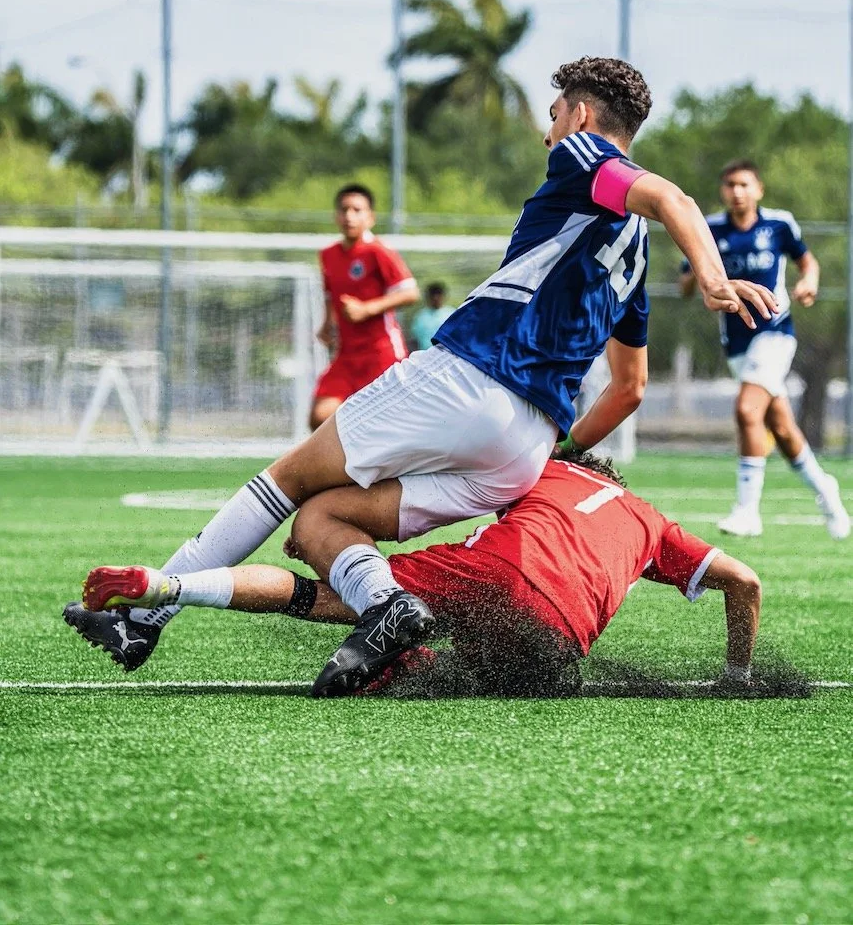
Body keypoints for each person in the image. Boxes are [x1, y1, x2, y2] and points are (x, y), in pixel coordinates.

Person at [64, 57, 777, 694]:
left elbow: (676, 201)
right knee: (323, 518)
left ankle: (146, 620)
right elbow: (631, 389)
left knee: (286, 479)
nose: (548, 132)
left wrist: (714, 280)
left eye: (554, 114)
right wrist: (555, 457)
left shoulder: (583, 155)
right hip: (523, 451)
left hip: (467, 382)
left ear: (584, 116)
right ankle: (386, 603)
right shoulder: (635, 258)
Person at [74, 452, 762, 696]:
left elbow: (435, 499)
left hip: (488, 572)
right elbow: (747, 582)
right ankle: (409, 660)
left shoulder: (540, 469)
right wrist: (736, 678)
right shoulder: (652, 522)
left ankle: (173, 588)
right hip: (562, 639)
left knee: (343, 598)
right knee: (465, 669)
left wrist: (337, 536)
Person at [680, 159, 849, 540]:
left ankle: (747, 511)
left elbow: (808, 262)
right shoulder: (708, 228)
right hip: (737, 345)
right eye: (730, 185)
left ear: (758, 189)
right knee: (783, 430)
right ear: (723, 191)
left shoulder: (778, 224)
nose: (737, 191)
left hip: (774, 334)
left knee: (745, 409)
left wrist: (809, 281)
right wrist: (695, 276)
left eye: (744, 184)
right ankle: (827, 492)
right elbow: (686, 286)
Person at [310, 184, 420, 429]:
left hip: (381, 353)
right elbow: (330, 292)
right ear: (336, 215)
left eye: (357, 210)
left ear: (370, 217)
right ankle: (349, 466)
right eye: (344, 209)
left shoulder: (379, 251)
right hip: (347, 355)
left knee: (390, 424)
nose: (350, 215)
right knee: (320, 417)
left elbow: (410, 292)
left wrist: (367, 309)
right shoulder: (328, 255)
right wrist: (327, 323)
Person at [409, 282, 455, 350]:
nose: (435, 298)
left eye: (438, 294)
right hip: (425, 354)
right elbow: (415, 339)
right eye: (433, 294)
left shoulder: (452, 314)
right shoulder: (420, 317)